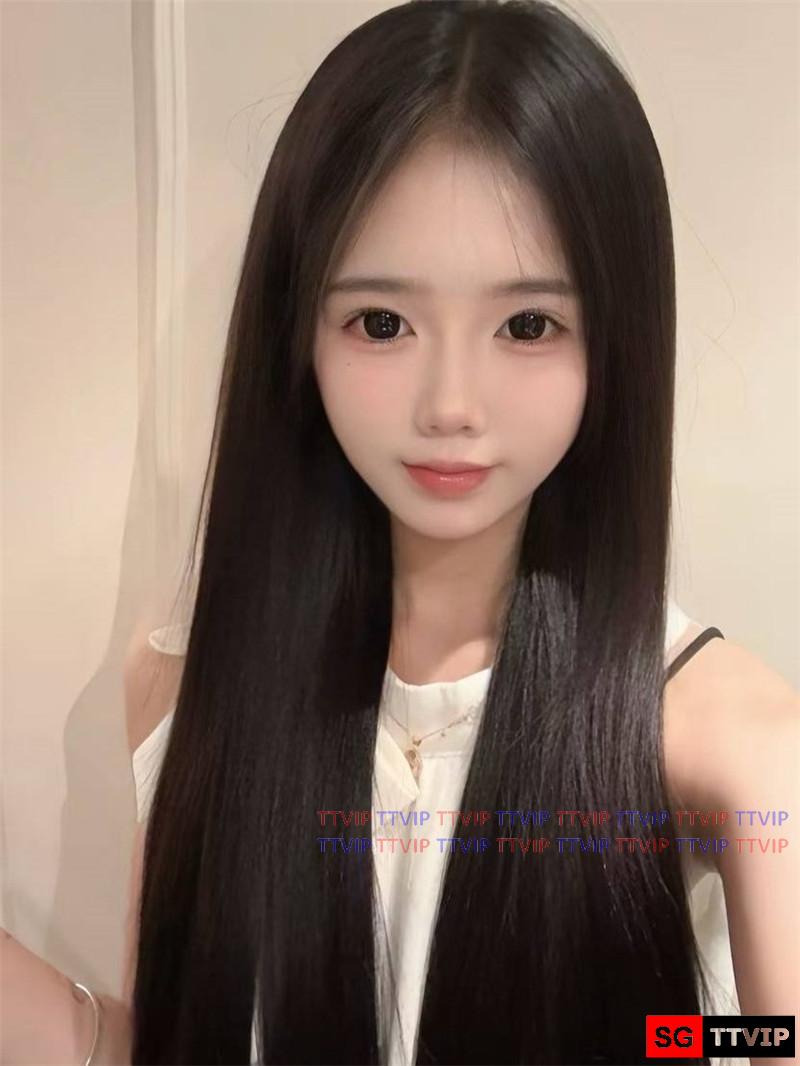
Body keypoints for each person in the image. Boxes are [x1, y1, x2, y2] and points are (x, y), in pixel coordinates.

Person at [2, 1, 797, 1064]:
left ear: (616, 339)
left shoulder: (727, 740)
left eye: (527, 324)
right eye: (381, 323)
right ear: (300, 333)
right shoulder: (186, 688)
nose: (449, 404)